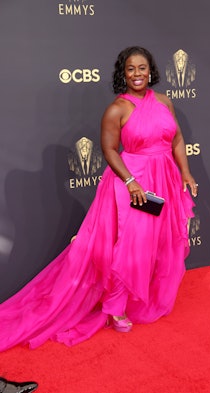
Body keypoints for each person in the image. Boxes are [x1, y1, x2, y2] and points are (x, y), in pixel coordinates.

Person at [0, 46, 197, 351]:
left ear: (151, 70)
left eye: (142, 68)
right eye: (130, 69)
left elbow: (178, 139)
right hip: (133, 182)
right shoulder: (117, 109)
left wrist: (185, 172)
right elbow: (108, 150)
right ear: (123, 73)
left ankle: (137, 296)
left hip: (165, 180)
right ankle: (115, 307)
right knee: (128, 246)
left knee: (156, 242)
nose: (137, 74)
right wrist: (130, 181)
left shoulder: (164, 102)